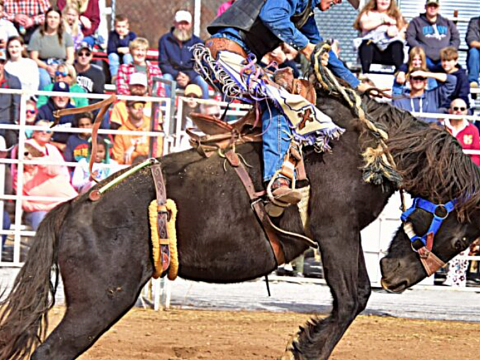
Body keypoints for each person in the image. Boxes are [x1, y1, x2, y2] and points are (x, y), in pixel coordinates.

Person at [198, 0, 360, 207]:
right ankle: (276, 180)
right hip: (227, 53)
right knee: (282, 103)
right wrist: (305, 46)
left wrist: (357, 84)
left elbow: (320, 50)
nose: (338, 2)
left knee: (282, 97)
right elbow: (271, 15)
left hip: (235, 55)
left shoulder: (305, 12)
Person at [13, 120, 77, 230]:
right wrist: (47, 207)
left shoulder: (50, 154)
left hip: (66, 204)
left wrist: (39, 160)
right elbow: (25, 204)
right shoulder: (19, 177)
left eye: (48, 130)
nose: (28, 156)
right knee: (41, 219)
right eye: (24, 154)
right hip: (41, 210)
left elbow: (57, 170)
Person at [158, 10, 209, 99]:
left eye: (186, 24)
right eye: (180, 23)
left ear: (190, 25)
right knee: (166, 79)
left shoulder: (198, 42)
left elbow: (201, 65)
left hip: (192, 77)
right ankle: (166, 110)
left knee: (202, 82)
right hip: (173, 76)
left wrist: (189, 77)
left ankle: (205, 110)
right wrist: (177, 74)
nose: (183, 27)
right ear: (174, 23)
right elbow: (163, 63)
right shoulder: (164, 40)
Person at [353, 0, 407, 73]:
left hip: (389, 52)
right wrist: (382, 21)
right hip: (373, 51)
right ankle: (365, 73)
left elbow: (402, 33)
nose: (384, 1)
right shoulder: (368, 13)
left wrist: (394, 30)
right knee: (367, 44)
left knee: (397, 45)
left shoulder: (396, 15)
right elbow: (364, 25)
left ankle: (400, 73)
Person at [406, 0, 460, 71]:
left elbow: (456, 39)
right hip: (424, 58)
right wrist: (421, 50)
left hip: (444, 60)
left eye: (435, 6)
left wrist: (448, 52)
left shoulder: (447, 23)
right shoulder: (416, 22)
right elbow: (410, 38)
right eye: (430, 6)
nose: (432, 8)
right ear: (425, 7)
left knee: (459, 71)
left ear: (438, 8)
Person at [29, 7, 75, 90]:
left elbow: (71, 58)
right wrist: (47, 67)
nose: (52, 20)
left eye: (55, 17)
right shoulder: (37, 35)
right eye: (50, 17)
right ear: (46, 19)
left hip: (62, 64)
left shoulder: (66, 36)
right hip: (43, 65)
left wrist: (61, 67)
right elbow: (33, 58)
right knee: (44, 79)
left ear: (60, 20)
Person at [392, 67, 456, 121]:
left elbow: (452, 80)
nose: (418, 80)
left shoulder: (434, 95)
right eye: (415, 78)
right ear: (410, 80)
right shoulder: (400, 99)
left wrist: (426, 74)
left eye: (421, 78)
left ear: (425, 81)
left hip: (430, 133)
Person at [36, 81, 76, 150]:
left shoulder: (75, 112)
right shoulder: (43, 111)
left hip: (69, 148)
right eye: (58, 94)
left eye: (64, 94)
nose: (61, 98)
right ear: (52, 96)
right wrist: (57, 146)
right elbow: (38, 136)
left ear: (69, 96)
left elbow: (78, 136)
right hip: (46, 147)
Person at [112, 100, 153, 165]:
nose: (139, 108)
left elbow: (157, 154)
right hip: (129, 169)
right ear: (127, 109)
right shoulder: (121, 132)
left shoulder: (153, 128)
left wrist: (135, 149)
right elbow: (118, 159)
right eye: (136, 106)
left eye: (141, 106)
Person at [444, 98, 480, 165]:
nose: (459, 111)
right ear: (450, 111)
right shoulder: (441, 127)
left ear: (466, 112)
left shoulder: (473, 130)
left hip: (465, 167)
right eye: (455, 108)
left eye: (462, 109)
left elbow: (476, 155)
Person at [0, 48, 21, 148]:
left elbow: (16, 105)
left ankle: (11, 163)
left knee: (13, 139)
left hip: (7, 122)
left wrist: (14, 124)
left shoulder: (13, 80)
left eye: (1, 61)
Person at [107, 14, 135, 81]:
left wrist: (124, 38)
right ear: (115, 26)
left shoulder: (131, 35)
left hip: (128, 56)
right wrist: (119, 50)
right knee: (113, 56)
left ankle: (128, 77)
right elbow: (110, 49)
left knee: (127, 57)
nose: (121, 29)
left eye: (123, 26)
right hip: (116, 55)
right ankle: (115, 77)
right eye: (118, 26)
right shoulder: (112, 35)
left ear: (127, 26)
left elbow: (134, 47)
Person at [466, 15, 480, 89]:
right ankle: (473, 81)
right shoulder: (474, 22)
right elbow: (471, 42)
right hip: (478, 54)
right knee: (473, 51)